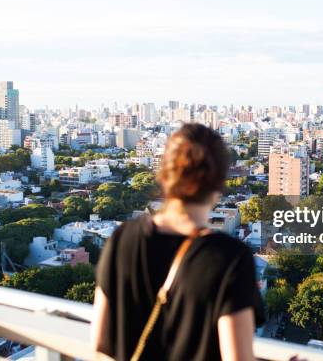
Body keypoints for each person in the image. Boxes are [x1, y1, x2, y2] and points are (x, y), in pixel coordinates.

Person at [91, 123, 264, 361]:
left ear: (164, 175)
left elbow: (100, 342)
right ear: (219, 182)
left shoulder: (122, 239)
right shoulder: (229, 258)